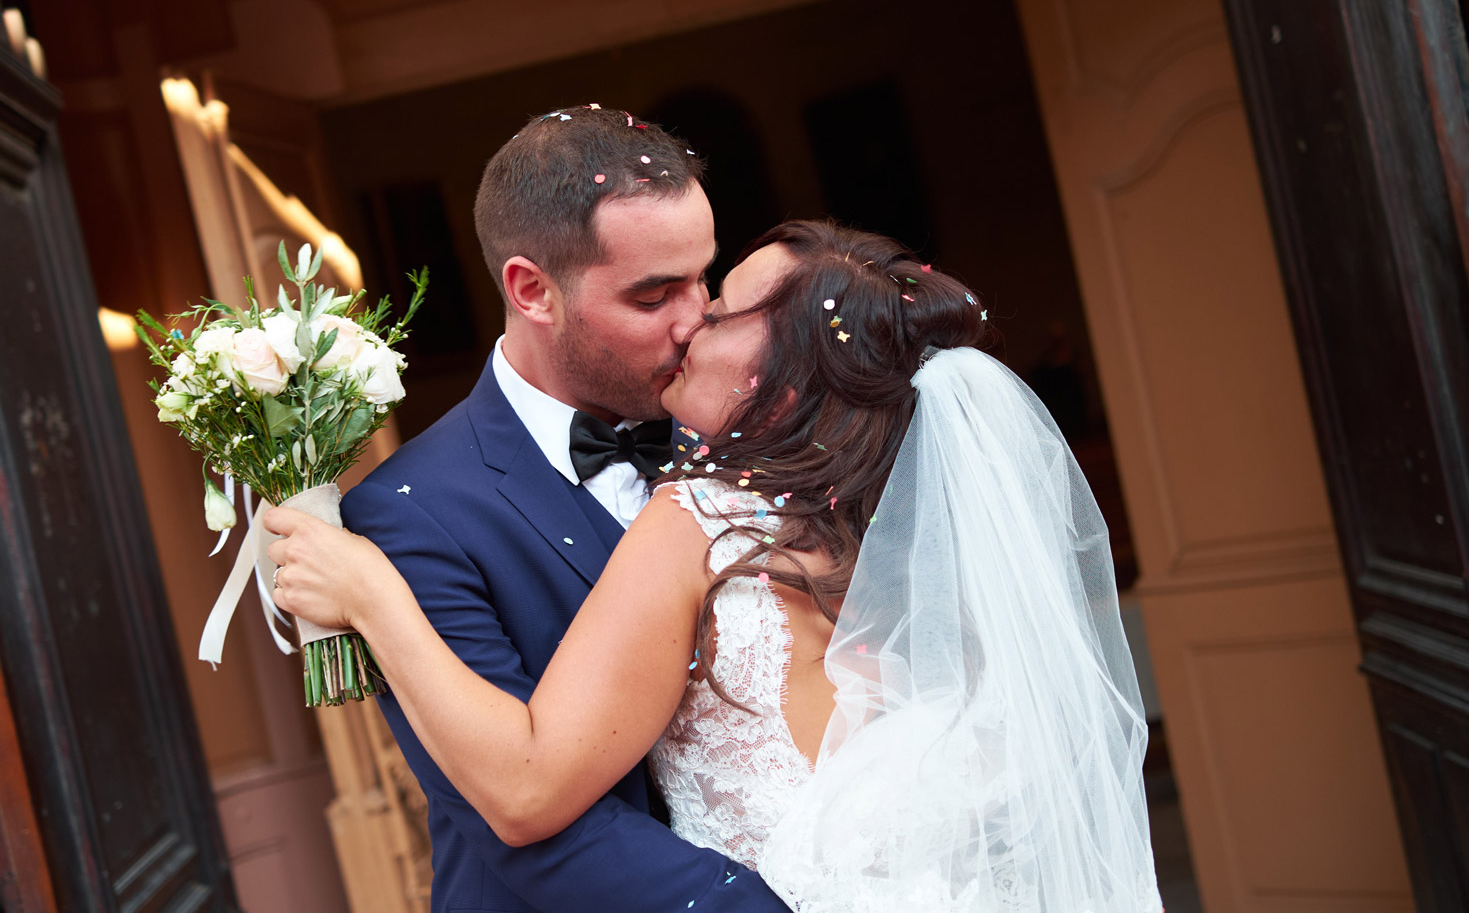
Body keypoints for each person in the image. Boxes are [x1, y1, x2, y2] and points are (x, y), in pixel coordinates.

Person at [267, 218, 1166, 911]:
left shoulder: (698, 516)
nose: (693, 319)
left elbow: (529, 784)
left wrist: (373, 595)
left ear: (773, 378)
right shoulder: (883, 525)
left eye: (720, 304)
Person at [303, 106, 795, 913]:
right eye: (653, 295)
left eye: (703, 277)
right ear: (532, 290)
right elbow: (524, 828)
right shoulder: (408, 512)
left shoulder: (741, 426)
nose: (695, 319)